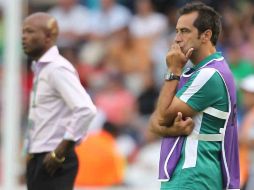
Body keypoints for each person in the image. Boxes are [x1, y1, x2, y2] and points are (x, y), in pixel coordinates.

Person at [149, 2, 240, 190]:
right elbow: (154, 122)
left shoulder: (209, 75)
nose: (177, 39)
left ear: (206, 35)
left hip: (193, 174)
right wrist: (172, 130)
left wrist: (173, 70)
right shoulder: (201, 72)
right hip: (190, 175)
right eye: (176, 31)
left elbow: (163, 116)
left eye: (184, 31)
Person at [22, 12, 97, 190]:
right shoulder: (43, 68)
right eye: (23, 32)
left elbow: (86, 108)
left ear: (48, 37)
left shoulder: (56, 68)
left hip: (54, 158)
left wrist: (61, 149)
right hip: (41, 156)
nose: (24, 37)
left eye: (30, 32)